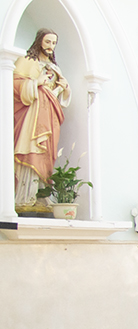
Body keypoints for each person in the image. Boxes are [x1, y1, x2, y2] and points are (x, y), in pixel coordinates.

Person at [14, 28, 71, 206]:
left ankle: (42, 196)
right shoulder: (27, 61)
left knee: (47, 153)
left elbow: (59, 96)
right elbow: (14, 84)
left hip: (51, 116)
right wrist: (35, 83)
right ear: (39, 41)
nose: (50, 46)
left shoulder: (55, 68)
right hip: (32, 116)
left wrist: (65, 88)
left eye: (54, 43)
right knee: (32, 149)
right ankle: (25, 198)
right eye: (48, 42)